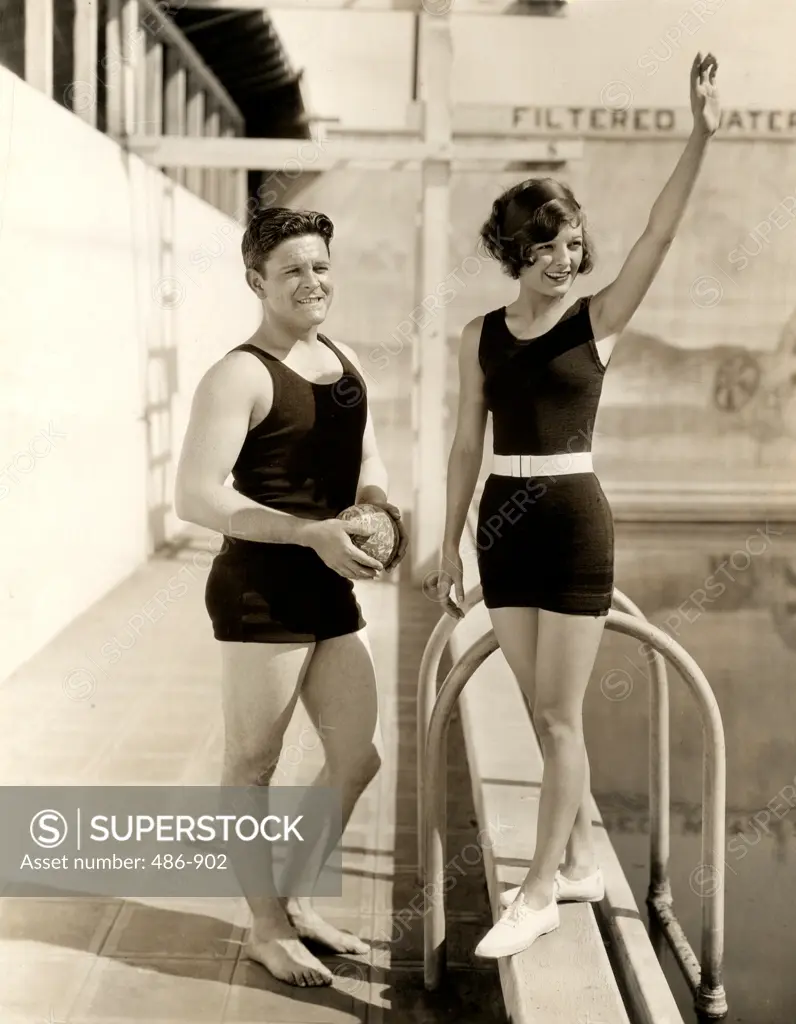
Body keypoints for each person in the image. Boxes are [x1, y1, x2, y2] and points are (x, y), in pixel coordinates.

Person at [429, 52, 720, 959]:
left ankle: (539, 889)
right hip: (502, 528)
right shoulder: (479, 335)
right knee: (544, 716)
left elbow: (658, 239)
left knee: (557, 718)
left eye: (574, 245)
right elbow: (465, 443)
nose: (567, 259)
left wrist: (701, 132)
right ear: (516, 252)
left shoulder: (595, 320)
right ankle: (587, 857)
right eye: (548, 247)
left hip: (574, 525)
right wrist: (449, 543)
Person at [174, 206, 407, 986]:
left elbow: (366, 450)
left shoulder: (339, 360)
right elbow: (196, 497)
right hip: (262, 588)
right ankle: (266, 927)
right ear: (256, 282)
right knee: (252, 763)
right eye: (292, 271)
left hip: (331, 580)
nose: (313, 282)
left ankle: (298, 898)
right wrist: (307, 533)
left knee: (358, 756)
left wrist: (375, 506)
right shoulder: (238, 372)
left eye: (320, 266)